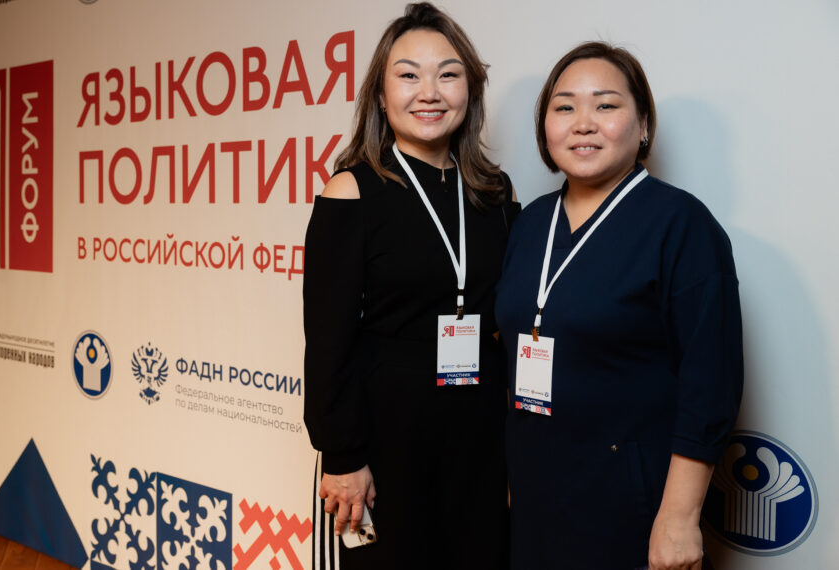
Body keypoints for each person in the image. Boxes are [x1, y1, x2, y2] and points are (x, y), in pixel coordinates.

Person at [496, 42, 743, 570]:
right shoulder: (529, 223)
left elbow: (710, 382)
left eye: (605, 105)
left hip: (630, 504)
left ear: (643, 125)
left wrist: (679, 517)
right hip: (536, 501)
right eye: (564, 107)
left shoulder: (682, 225)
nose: (583, 123)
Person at [303, 3, 517, 569]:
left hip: (478, 438)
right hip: (385, 440)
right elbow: (327, 344)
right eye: (408, 75)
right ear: (380, 94)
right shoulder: (351, 192)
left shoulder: (495, 194)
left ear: (470, 89)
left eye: (448, 74)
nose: (429, 92)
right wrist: (343, 456)